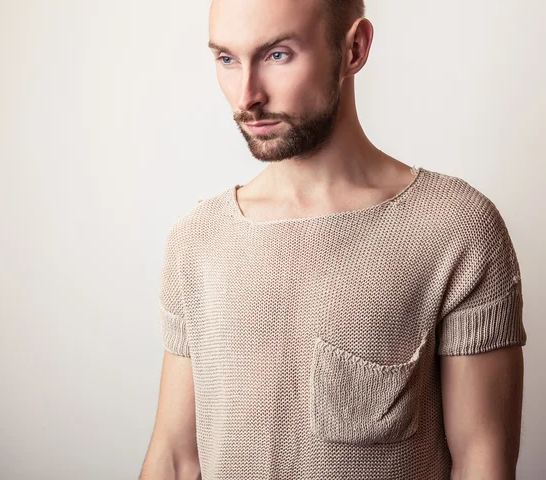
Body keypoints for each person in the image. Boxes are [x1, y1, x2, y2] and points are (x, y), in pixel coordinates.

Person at [140, 0, 527, 478]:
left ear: (354, 49)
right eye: (226, 59)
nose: (247, 95)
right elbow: (176, 460)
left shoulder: (455, 228)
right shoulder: (196, 243)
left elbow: (482, 462)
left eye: (277, 55)